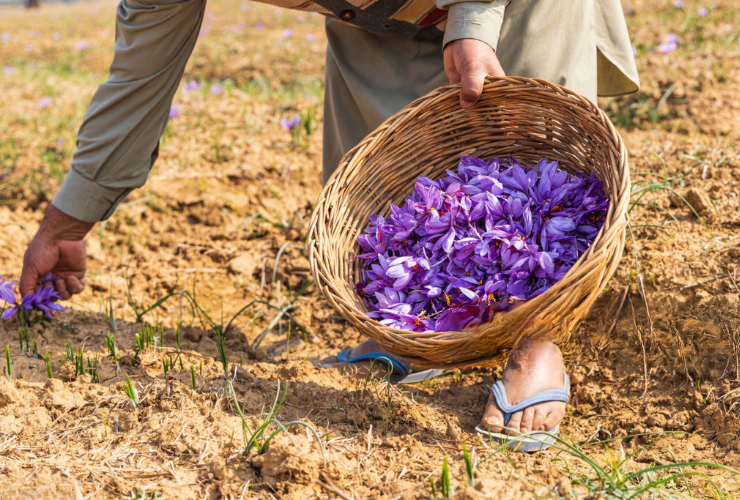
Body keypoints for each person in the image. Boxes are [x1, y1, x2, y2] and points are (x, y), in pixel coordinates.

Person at [19, 0, 638, 446]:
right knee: (396, 204)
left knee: (527, 173)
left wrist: (473, 19)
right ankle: (409, 330)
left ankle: (538, 341)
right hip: (373, 16)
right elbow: (137, 80)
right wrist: (64, 225)